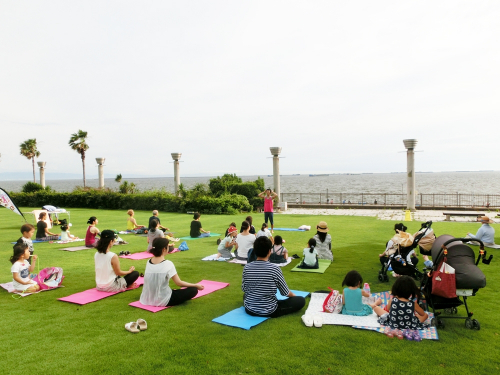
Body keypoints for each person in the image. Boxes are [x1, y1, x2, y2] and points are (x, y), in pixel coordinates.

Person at [242, 236, 305, 318]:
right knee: (301, 300)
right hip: (269, 310)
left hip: (249, 309)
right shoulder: (274, 268)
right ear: (269, 251)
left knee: (245, 296)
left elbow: (244, 289)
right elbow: (285, 292)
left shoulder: (247, 267)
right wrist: (295, 296)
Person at [140, 238, 204, 306]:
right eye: (168, 246)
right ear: (164, 249)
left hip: (146, 298)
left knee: (174, 291)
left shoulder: (148, 262)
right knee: (193, 290)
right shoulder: (168, 263)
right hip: (163, 299)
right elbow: (179, 283)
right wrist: (195, 285)